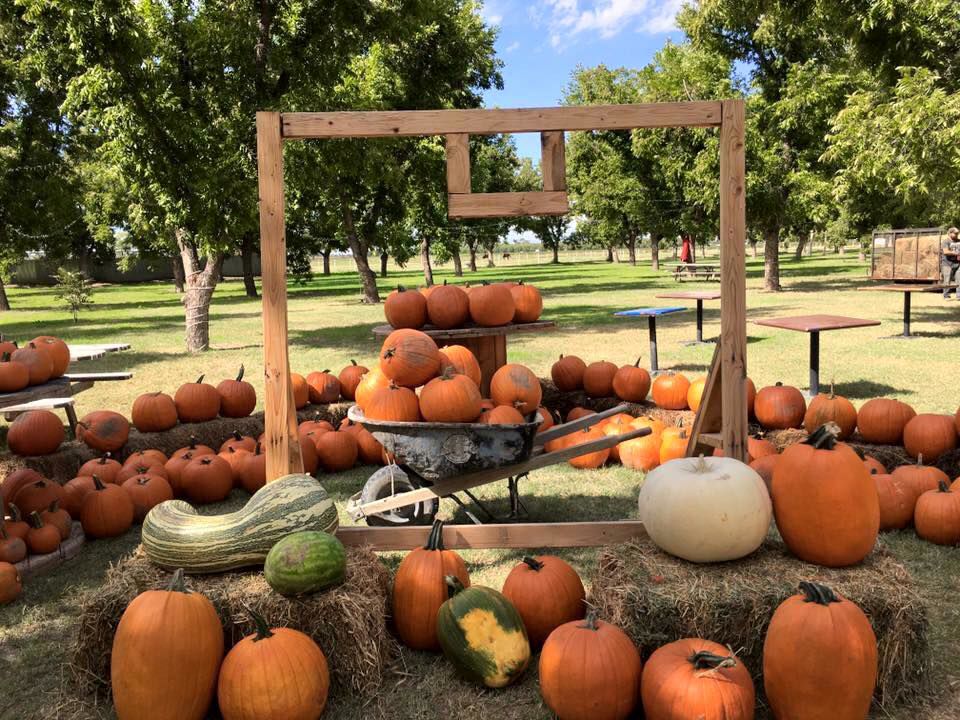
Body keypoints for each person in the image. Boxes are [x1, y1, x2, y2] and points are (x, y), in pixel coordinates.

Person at [942, 226, 960, 299]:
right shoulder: (946, 241)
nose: (957, 234)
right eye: (955, 233)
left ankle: (959, 295)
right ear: (950, 233)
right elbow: (946, 252)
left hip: (958, 264)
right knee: (947, 280)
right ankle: (946, 295)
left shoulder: (959, 241)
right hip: (947, 264)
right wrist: (956, 253)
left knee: (959, 280)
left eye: (957, 233)